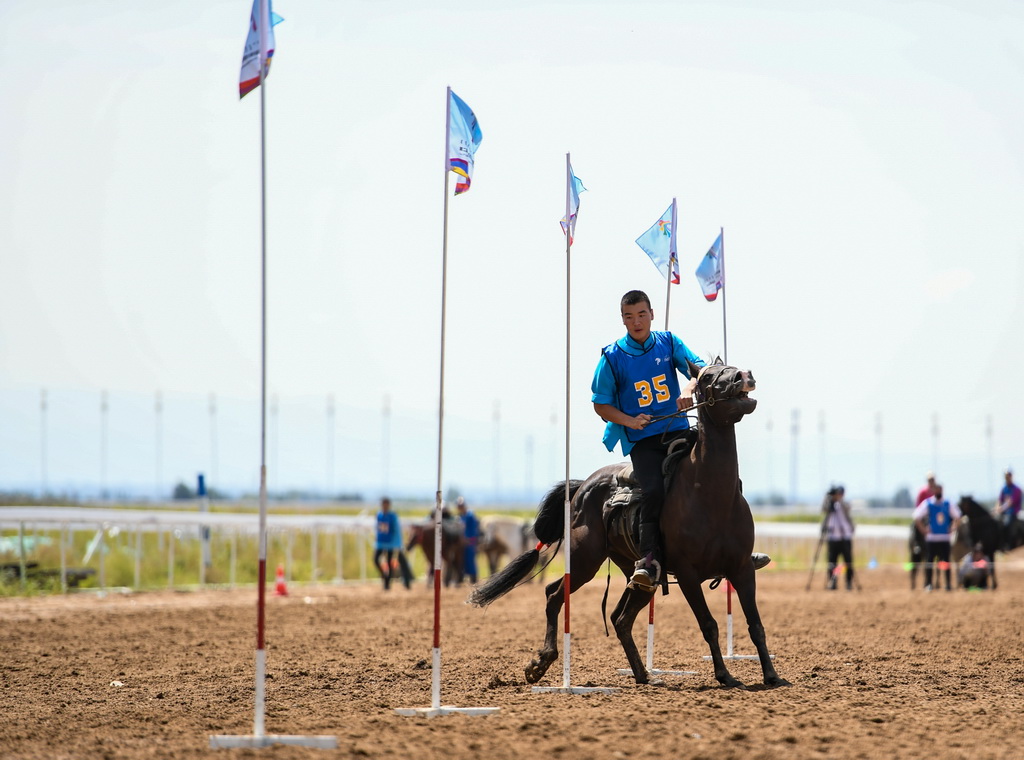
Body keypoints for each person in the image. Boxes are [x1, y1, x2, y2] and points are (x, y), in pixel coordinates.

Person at [591, 289, 704, 592]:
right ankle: (648, 560)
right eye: (629, 317)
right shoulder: (612, 357)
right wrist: (630, 421)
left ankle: (732, 543)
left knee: (716, 469)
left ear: (652, 314)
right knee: (654, 491)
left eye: (642, 314)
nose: (637, 322)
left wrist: (689, 389)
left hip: (679, 429)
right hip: (644, 441)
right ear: (623, 320)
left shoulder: (669, 342)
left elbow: (699, 370)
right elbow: (600, 404)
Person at [912, 484, 961, 592]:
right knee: (930, 562)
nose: (938, 492)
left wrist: (953, 528)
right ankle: (929, 583)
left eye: (939, 490)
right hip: (932, 539)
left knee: (946, 562)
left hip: (945, 538)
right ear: (934, 491)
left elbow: (958, 516)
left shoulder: (948, 503)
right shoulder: (928, 503)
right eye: (936, 490)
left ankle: (948, 584)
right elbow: (916, 516)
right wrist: (924, 530)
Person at [374, 497, 412, 590]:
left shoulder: (393, 516)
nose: (384, 506)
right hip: (381, 543)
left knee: (391, 562)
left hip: (392, 544)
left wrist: (398, 544)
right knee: (376, 559)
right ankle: (385, 576)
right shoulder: (379, 515)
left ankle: (388, 584)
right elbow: (378, 530)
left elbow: (396, 531)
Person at [822, 485, 855, 590]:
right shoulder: (830, 505)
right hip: (833, 537)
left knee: (848, 561)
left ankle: (849, 583)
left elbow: (847, 508)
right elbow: (824, 509)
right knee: (832, 562)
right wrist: (828, 499)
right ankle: (832, 582)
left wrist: (839, 500)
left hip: (845, 536)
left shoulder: (843, 504)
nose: (838, 495)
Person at [996, 468, 1022, 551]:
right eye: (1006, 476)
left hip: (1014, 512)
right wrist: (997, 509)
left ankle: (1009, 544)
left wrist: (1001, 508)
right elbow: (999, 501)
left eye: (1009, 476)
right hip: (1004, 513)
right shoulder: (1003, 489)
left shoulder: (1017, 489)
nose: (1008, 478)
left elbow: (1011, 502)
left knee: (1008, 524)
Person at [456, 496, 479, 585]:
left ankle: (473, 579)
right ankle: (462, 578)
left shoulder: (470, 515)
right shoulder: (460, 516)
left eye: (461, 505)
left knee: (470, 560)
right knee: (463, 560)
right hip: (462, 542)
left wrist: (468, 539)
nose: (460, 507)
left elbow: (473, 530)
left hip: (470, 542)